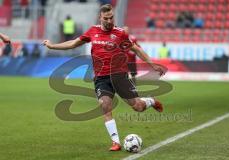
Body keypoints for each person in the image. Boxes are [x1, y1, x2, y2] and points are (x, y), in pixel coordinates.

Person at [43, 4, 166, 151]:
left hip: (119, 76)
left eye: (111, 17)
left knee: (138, 107)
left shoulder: (120, 34)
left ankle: (150, 101)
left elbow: (136, 49)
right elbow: (73, 43)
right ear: (100, 17)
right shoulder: (92, 32)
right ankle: (116, 142)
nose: (110, 20)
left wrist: (152, 64)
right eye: (106, 18)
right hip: (101, 78)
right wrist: (52, 46)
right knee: (105, 106)